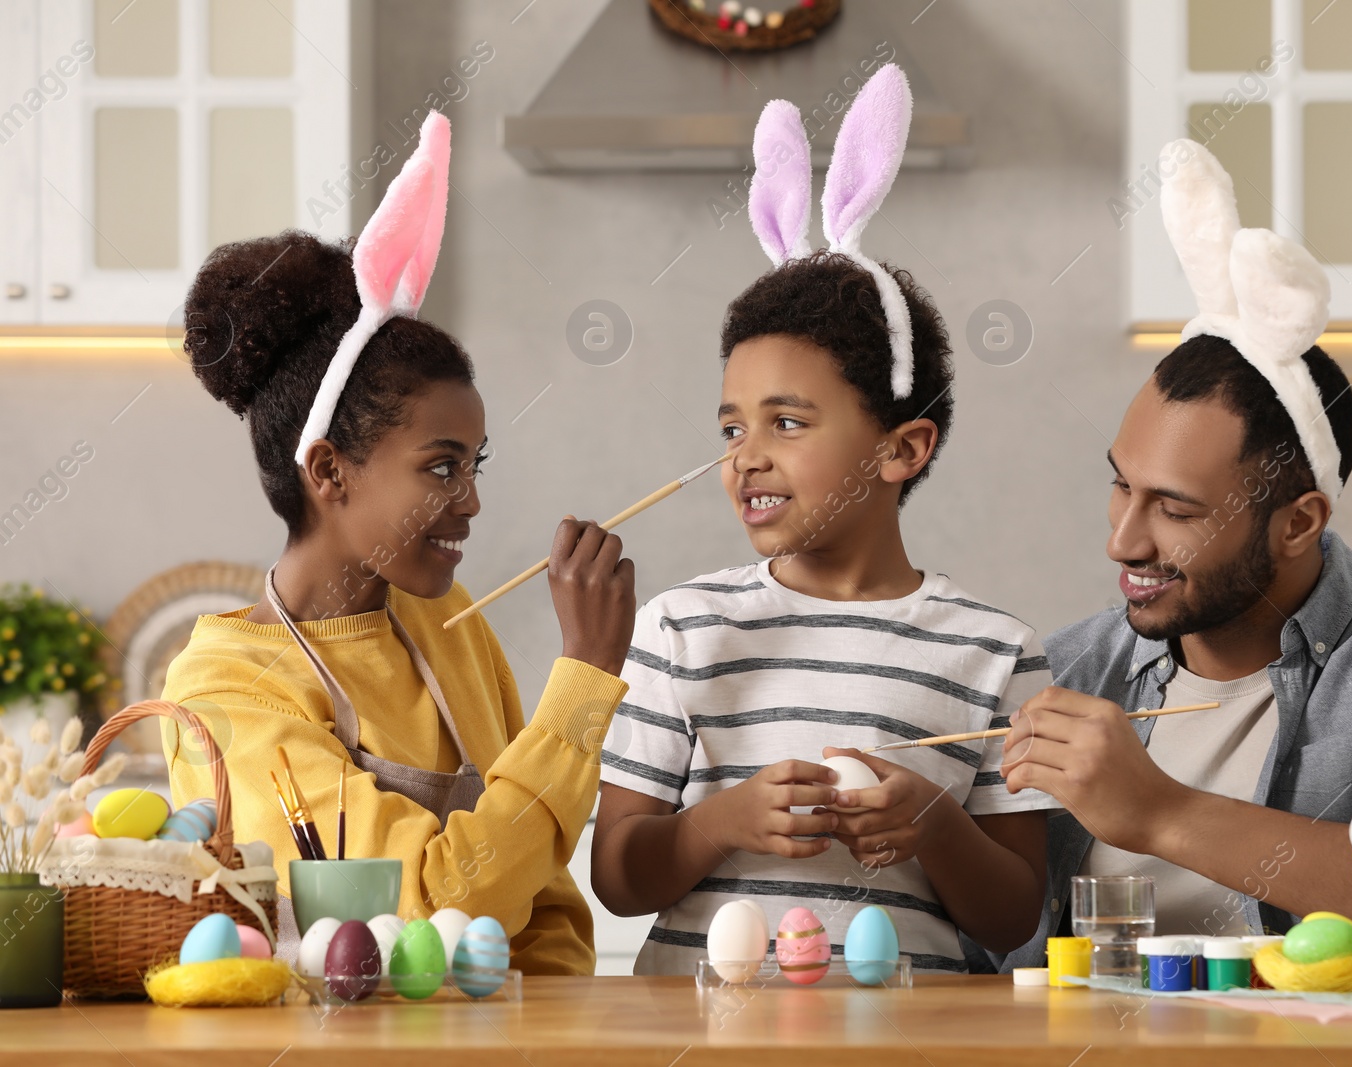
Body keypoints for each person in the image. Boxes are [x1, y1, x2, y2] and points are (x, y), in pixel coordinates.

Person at [982, 140, 1352, 971]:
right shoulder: (1068, 670)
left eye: (1175, 508)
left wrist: (1161, 813)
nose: (1124, 540)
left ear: (1299, 522)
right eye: (1122, 488)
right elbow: (982, 951)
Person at [589, 68, 1058, 975]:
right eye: (732, 426)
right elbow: (617, 874)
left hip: (906, 1039)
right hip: (701, 1036)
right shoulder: (683, 629)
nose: (746, 454)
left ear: (902, 449)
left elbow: (1013, 915)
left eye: (788, 422)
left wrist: (936, 824)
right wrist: (720, 822)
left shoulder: (996, 649)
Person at [161, 114, 635, 974]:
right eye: (441, 467)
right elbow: (425, 908)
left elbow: (549, 911)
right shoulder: (228, 684)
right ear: (329, 470)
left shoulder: (447, 619)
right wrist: (582, 687)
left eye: (475, 464)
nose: (473, 500)